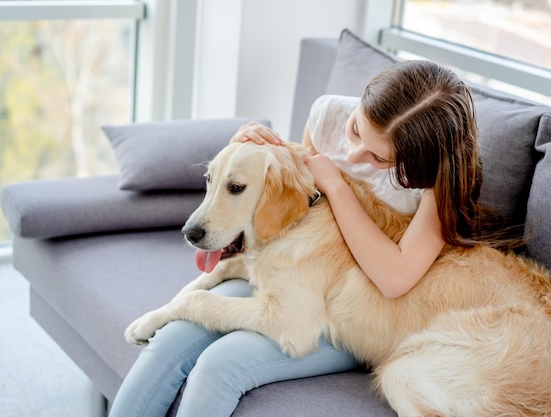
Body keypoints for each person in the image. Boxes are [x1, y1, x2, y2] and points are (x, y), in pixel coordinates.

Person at [108, 59, 500, 417]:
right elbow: (296, 211)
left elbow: (394, 278)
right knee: (171, 338)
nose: (355, 152)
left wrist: (338, 187)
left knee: (218, 365)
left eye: (380, 159)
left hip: (345, 312)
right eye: (356, 130)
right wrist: (248, 149)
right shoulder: (329, 113)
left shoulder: (438, 184)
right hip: (292, 272)